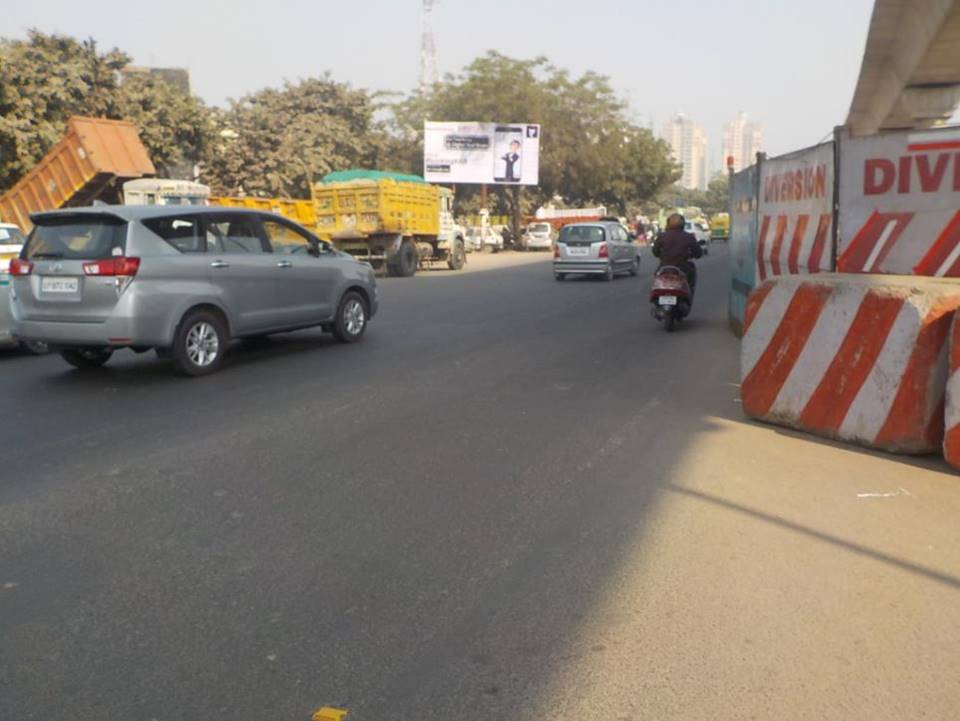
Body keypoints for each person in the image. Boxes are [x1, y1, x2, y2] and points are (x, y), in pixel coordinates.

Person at [652, 213, 703, 295]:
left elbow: (655, 251)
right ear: (683, 224)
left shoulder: (662, 236)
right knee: (691, 279)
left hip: (665, 267)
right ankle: (688, 295)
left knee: (656, 276)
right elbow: (698, 253)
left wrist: (662, 255)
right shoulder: (688, 236)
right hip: (683, 267)